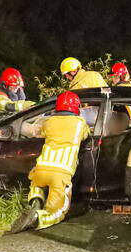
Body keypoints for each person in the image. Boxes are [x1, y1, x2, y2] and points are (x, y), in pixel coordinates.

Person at [8, 91, 90, 233]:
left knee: (36, 184)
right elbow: (86, 135)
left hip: (41, 168)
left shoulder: (49, 121)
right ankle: (38, 218)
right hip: (61, 173)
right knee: (58, 211)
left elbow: (38, 131)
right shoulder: (80, 123)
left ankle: (35, 201)